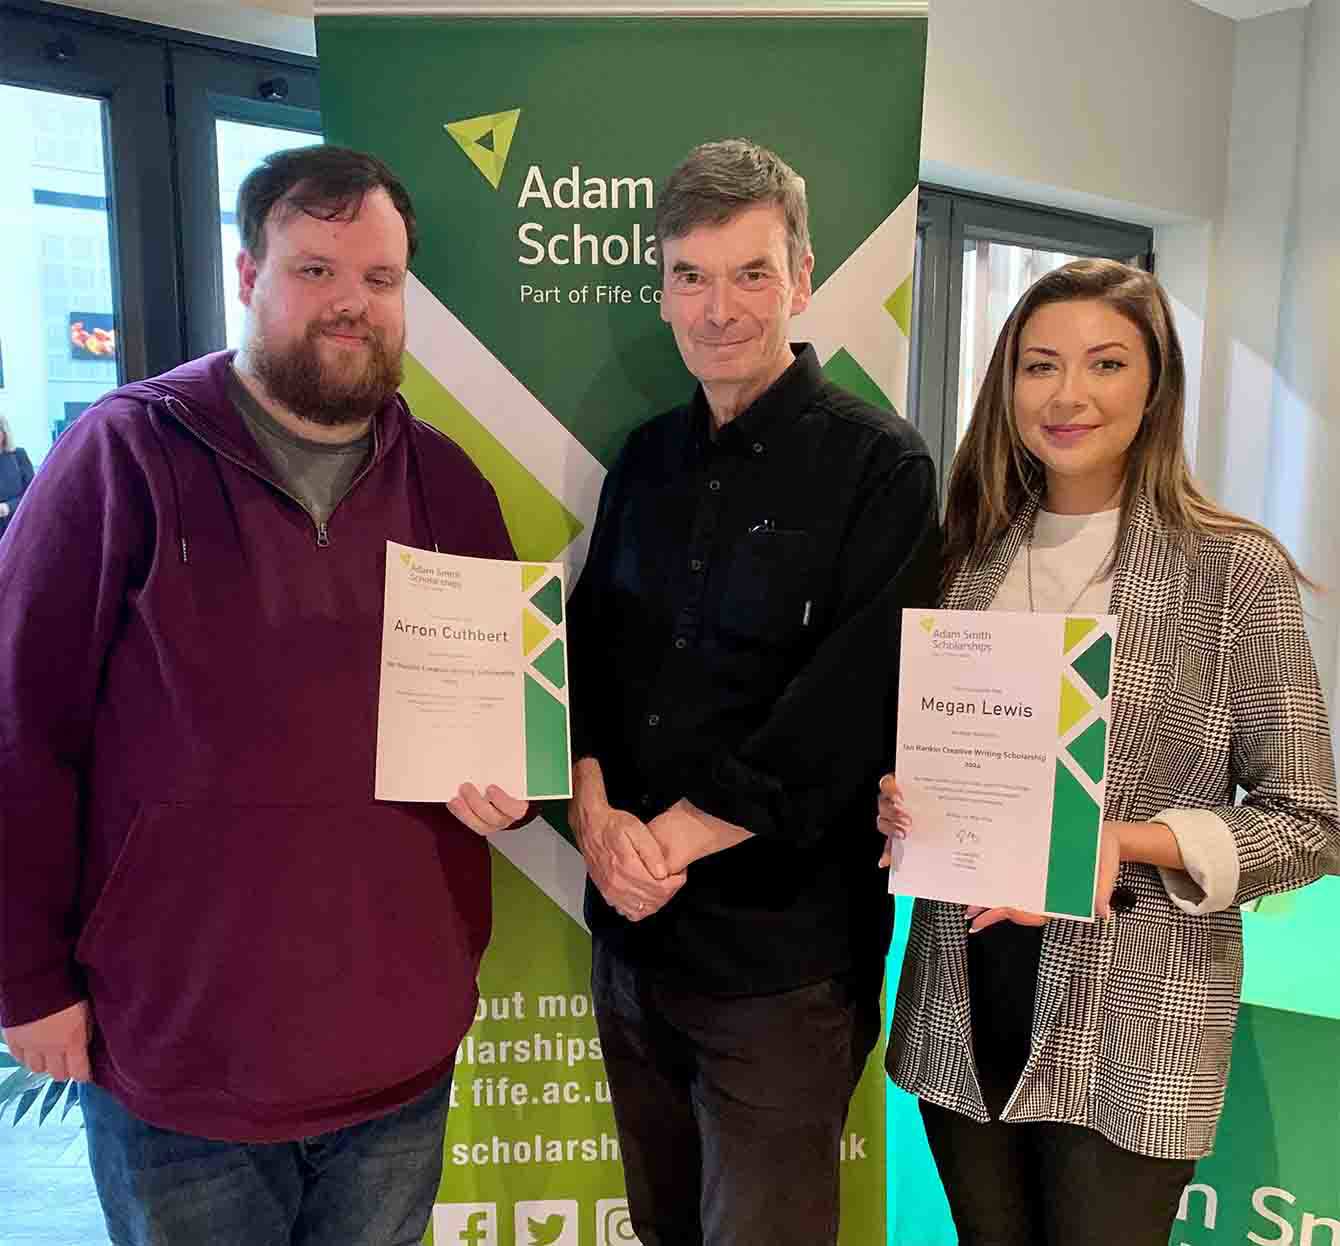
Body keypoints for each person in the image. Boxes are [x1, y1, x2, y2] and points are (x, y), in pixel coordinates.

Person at [0, 145, 529, 1246]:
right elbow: (19, 730)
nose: (351, 304)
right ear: (249, 276)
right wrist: (26, 979)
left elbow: (501, 716)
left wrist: (511, 787)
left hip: (395, 1052)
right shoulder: (124, 456)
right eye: (315, 270)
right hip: (181, 1056)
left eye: (379, 279)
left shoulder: (450, 485)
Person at [881, 258, 1339, 1246]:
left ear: (1155, 384)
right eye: (1040, 365)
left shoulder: (1231, 568)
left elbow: (1307, 822)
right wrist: (904, 797)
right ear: (1007, 385)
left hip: (1134, 1011)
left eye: (1105, 363)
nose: (1068, 395)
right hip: (966, 993)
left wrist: (1122, 840)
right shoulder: (961, 552)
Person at [566, 138, 940, 1246]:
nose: (716, 308)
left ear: (802, 278)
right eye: (690, 275)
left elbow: (850, 710)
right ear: (661, 289)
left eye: (749, 274)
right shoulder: (643, 460)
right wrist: (591, 813)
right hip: (631, 946)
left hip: (782, 970)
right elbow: (586, 655)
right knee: (660, 1229)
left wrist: (662, 843)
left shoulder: (881, 467)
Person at [0, 412, 34, 539]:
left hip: (17, 529)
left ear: (4, 432)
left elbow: (33, 494)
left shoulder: (18, 455)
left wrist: (9, 507)